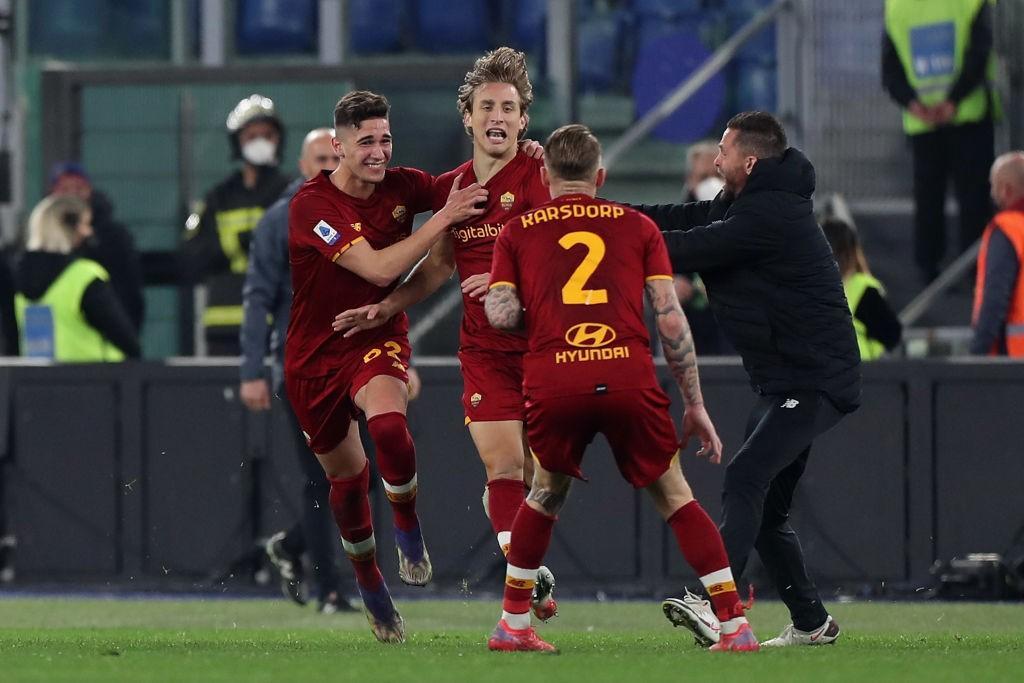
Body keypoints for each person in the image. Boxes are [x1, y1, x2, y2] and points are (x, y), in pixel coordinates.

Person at [483, 124, 757, 653]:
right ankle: (733, 624)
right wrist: (695, 403)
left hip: (556, 378)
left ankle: (513, 625)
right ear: (600, 176)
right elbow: (670, 318)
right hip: (628, 375)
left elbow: (500, 313)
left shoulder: (516, 231)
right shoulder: (636, 227)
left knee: (543, 494)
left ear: (544, 176)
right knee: (675, 495)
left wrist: (538, 312)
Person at [331, 47, 557, 620]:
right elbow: (435, 269)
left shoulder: (540, 173)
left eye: (509, 106)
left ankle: (521, 556)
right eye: (487, 106)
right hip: (485, 352)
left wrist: (512, 284)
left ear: (524, 119)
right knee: (503, 470)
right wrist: (384, 308)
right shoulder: (450, 191)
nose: (497, 116)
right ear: (468, 117)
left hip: (545, 347)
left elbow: (565, 255)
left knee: (539, 485)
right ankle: (522, 596)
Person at [632, 111, 861, 647]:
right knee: (767, 510)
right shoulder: (746, 203)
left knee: (744, 478)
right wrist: (603, 215)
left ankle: (715, 603)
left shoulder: (770, 214)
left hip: (814, 379)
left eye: (724, 151)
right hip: (787, 380)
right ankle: (812, 623)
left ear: (749, 161)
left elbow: (689, 248)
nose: (716, 160)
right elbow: (680, 219)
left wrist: (611, 237)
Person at [286, 90, 488, 643]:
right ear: (339, 146)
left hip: (376, 336)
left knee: (390, 428)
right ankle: (372, 587)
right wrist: (442, 218)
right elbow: (376, 270)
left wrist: (521, 153)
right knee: (348, 481)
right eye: (366, 142)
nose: (378, 152)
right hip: (314, 357)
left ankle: (407, 524)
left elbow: (475, 180)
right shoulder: (311, 206)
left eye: (385, 140)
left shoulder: (404, 186)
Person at [240, 127, 359, 613]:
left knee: (362, 477)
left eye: (336, 158)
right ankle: (327, 589)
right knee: (321, 478)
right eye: (320, 159)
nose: (329, 167)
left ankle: (291, 546)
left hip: (355, 364)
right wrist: (252, 369)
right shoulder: (280, 220)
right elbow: (257, 298)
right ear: (302, 166)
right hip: (304, 368)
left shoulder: (360, 212)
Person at [882, 0, 999, 284]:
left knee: (928, 199)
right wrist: (953, 100)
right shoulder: (970, 3)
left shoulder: (897, 6)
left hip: (922, 120)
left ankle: (928, 272)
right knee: (974, 200)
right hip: (968, 115)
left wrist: (912, 103)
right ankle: (976, 273)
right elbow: (979, 53)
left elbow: (890, 69)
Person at [182, 94, 292, 355]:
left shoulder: (291, 193)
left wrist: (243, 245)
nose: (260, 142)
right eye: (251, 136)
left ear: (278, 140)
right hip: (222, 327)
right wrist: (236, 245)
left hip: (276, 323)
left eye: (267, 135)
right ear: (237, 142)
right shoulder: (217, 198)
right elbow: (190, 258)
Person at [14, 195, 140, 361]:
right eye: (85, 224)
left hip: (36, 381)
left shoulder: (18, 276)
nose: (89, 232)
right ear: (67, 227)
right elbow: (125, 340)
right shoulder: (84, 275)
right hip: (99, 379)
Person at [48, 162, 146, 333]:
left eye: (78, 188)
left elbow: (130, 294)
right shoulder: (41, 240)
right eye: (65, 189)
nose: (71, 195)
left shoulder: (113, 237)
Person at [822, 217, 903, 360]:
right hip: (861, 374)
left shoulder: (803, 286)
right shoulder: (863, 289)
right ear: (851, 251)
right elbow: (892, 335)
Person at [971, 151, 1024, 356]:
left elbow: (995, 300)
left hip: (1013, 365)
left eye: (994, 187)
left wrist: (977, 357)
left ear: (1005, 190)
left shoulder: (1008, 229)